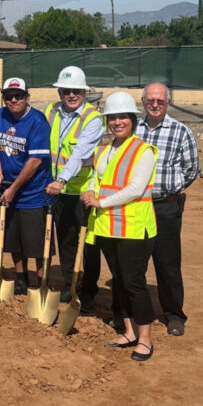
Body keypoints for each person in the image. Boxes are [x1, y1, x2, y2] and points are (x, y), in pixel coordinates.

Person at [81, 91, 157, 362]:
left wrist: (100, 203)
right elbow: (95, 178)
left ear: (133, 120)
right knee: (120, 283)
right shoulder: (103, 150)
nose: (117, 122)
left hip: (135, 229)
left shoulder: (143, 151)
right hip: (107, 229)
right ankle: (128, 331)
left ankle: (145, 339)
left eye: (123, 117)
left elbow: (135, 189)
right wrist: (90, 192)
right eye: (112, 118)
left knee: (134, 283)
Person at [137, 82, 199, 336]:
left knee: (167, 264)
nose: (154, 104)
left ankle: (174, 315)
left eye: (160, 101)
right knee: (134, 262)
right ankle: (132, 313)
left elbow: (191, 169)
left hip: (165, 208)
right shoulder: (133, 129)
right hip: (136, 206)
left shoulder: (181, 131)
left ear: (168, 103)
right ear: (143, 102)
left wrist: (169, 191)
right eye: (150, 100)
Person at [43, 66, 103, 308]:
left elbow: (79, 154)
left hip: (82, 190)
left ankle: (88, 288)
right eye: (66, 90)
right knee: (66, 239)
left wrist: (62, 179)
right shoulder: (51, 111)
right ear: (59, 92)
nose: (71, 95)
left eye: (76, 90)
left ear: (84, 91)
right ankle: (71, 284)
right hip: (58, 190)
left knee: (88, 244)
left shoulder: (92, 119)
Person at [0, 77, 53, 295]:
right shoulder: (0, 115)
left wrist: (14, 189)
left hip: (33, 192)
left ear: (28, 96)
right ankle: (20, 278)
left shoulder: (38, 121)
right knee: (13, 239)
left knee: (35, 243)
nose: (13, 99)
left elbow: (35, 161)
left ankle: (39, 281)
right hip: (8, 188)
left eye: (18, 95)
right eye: (8, 96)